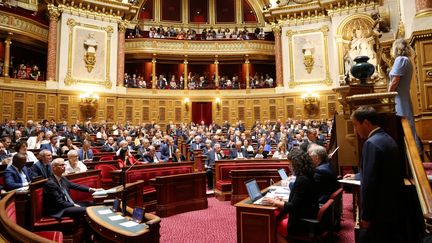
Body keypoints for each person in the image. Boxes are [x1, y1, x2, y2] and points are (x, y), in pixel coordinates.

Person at [347, 106, 405, 243]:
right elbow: (379, 171)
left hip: (379, 212)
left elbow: (370, 184)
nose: (355, 130)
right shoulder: (386, 138)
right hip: (392, 208)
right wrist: (357, 176)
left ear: (366, 123)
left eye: (356, 125)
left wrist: (366, 216)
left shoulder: (371, 144)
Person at [262, 148, 319, 237]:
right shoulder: (308, 174)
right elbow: (300, 201)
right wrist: (281, 200)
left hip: (300, 220)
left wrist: (275, 202)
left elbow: (294, 207)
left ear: (297, 165)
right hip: (308, 213)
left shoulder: (302, 180)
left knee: (271, 227)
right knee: (276, 215)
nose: (289, 166)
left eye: (290, 164)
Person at [43, 158, 101, 242]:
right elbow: (58, 202)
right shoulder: (50, 183)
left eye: (64, 164)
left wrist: (92, 189)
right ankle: (89, 238)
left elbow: (75, 186)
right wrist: (73, 205)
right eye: (61, 165)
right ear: (54, 168)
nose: (64, 167)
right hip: (60, 209)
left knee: (93, 204)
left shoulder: (62, 178)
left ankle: (93, 234)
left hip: (67, 204)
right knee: (87, 210)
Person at [388, 38, 422, 153]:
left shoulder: (400, 59)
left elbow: (395, 81)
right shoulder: (406, 60)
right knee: (408, 124)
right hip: (403, 97)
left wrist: (388, 96)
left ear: (396, 48)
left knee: (404, 125)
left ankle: (410, 154)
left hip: (398, 98)